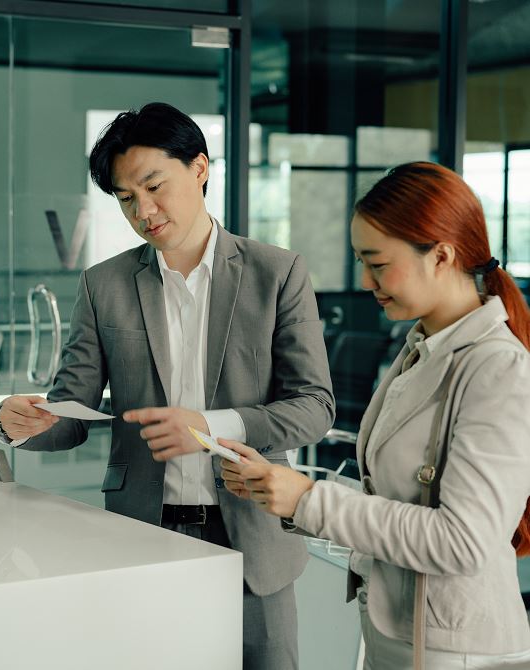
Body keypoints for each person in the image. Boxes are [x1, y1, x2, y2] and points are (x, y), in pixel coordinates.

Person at [0, 102, 335, 669]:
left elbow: (314, 406)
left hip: (252, 540)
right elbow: (71, 416)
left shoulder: (277, 273)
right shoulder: (104, 284)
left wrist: (209, 426)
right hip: (141, 534)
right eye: (126, 199)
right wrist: (21, 425)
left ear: (199, 167)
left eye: (154, 186)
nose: (143, 211)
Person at [220, 162, 530, 669]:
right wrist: (280, 486)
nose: (365, 280)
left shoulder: (497, 369)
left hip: (457, 652)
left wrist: (308, 501)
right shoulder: (421, 348)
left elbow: (463, 541)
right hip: (402, 635)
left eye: (377, 263)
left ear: (442, 256)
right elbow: (392, 497)